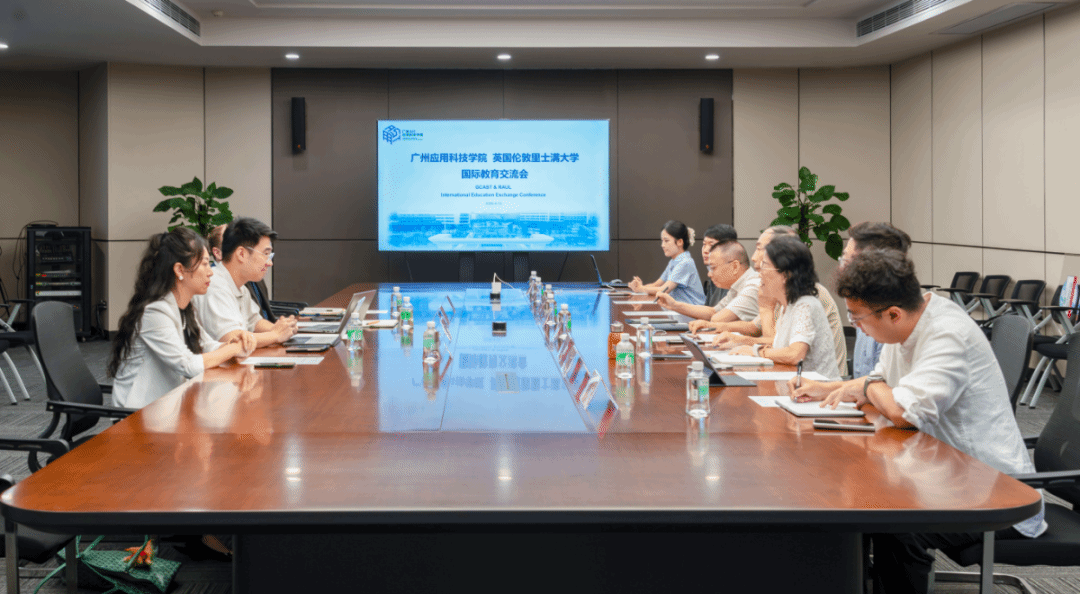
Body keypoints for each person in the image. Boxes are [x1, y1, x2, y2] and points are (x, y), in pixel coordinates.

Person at [789, 249, 1046, 594]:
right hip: (941, 470)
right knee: (856, 499)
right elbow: (880, 383)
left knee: (895, 523)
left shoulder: (946, 334)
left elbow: (901, 411)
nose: (856, 326)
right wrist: (829, 388)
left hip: (994, 490)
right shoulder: (906, 324)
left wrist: (868, 387)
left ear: (893, 314)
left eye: (857, 317)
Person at [108, 228, 256, 409]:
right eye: (204, 264)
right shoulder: (155, 312)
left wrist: (234, 344)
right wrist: (233, 349)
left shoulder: (185, 307)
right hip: (137, 414)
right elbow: (187, 365)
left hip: (168, 405)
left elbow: (206, 345)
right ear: (179, 270)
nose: (210, 272)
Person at [709, 226, 847, 374]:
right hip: (795, 377)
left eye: (765, 266)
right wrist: (742, 342)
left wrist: (756, 351)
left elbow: (794, 354)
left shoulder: (806, 302)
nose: (759, 274)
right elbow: (775, 344)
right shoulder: (786, 302)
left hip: (818, 383)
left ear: (785, 274)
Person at [193, 217, 298, 347]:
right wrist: (275, 334)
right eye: (265, 254)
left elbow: (255, 322)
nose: (270, 263)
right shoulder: (214, 286)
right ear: (241, 254)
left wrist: (283, 328)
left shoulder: (240, 287)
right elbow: (232, 339)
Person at [840, 221, 912, 378]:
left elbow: (882, 385)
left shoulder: (891, 319)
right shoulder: (866, 306)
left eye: (846, 261)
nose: (841, 268)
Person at [658, 240, 759, 326]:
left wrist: (706, 323)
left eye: (713, 268)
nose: (709, 274)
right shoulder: (737, 286)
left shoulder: (752, 286)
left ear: (734, 267)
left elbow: (717, 319)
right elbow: (713, 311)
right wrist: (674, 305)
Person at [628, 220, 706, 305]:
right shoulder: (673, 262)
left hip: (693, 311)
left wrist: (641, 288)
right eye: (662, 241)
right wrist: (639, 287)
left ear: (680, 242)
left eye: (666, 241)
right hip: (680, 310)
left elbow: (664, 290)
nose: (662, 245)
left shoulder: (685, 262)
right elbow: (657, 284)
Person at [701, 224, 738, 307]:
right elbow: (708, 308)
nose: (705, 250)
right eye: (704, 244)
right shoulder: (714, 275)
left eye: (711, 245)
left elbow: (715, 312)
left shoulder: (731, 277)